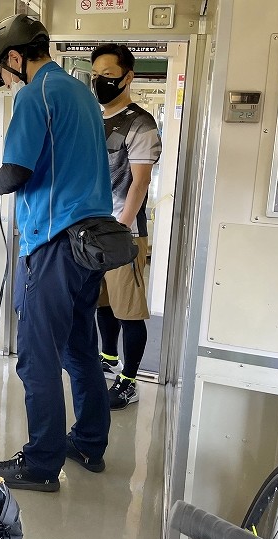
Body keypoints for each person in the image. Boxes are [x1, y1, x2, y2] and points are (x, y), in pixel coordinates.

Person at [0, 15, 113, 491]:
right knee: (79, 349)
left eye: (3, 74)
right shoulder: (82, 95)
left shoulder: (36, 95)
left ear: (15, 57)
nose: (6, 82)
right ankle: (90, 443)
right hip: (90, 243)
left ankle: (40, 464)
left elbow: (14, 174)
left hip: (54, 245)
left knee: (37, 357)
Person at [90, 43, 162, 410]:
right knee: (103, 302)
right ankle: (107, 357)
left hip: (124, 232)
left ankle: (130, 379)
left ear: (127, 77)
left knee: (128, 311)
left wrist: (119, 230)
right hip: (93, 231)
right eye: (95, 75)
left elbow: (140, 182)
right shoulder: (92, 117)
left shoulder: (141, 123)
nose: (100, 82)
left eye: (107, 75)